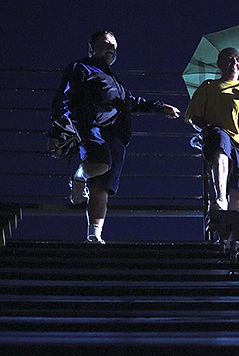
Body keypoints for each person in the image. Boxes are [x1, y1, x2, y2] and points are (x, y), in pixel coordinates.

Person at [50, 30, 181, 243]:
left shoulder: (115, 81)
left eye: (114, 45)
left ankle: (94, 235)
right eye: (105, 43)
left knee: (102, 186)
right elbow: (63, 97)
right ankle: (78, 177)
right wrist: (59, 125)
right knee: (99, 162)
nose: (111, 47)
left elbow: (132, 101)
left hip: (117, 135)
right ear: (92, 47)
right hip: (92, 126)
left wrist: (161, 108)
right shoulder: (82, 67)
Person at [184, 47, 239, 212]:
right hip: (221, 131)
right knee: (220, 147)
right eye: (229, 59)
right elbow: (193, 116)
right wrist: (205, 129)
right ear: (220, 64)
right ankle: (220, 197)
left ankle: (232, 234)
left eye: (237, 60)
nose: (234, 63)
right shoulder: (209, 86)